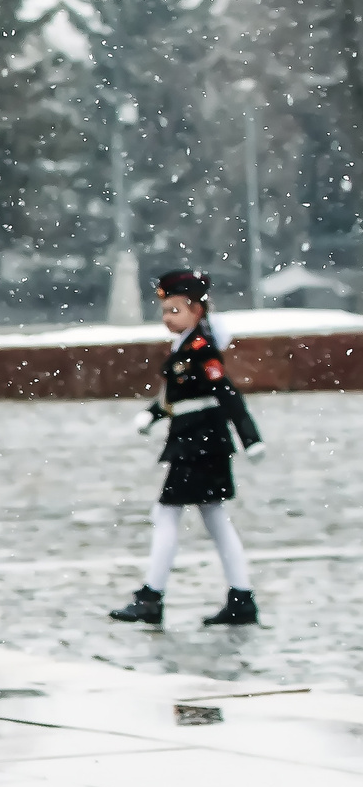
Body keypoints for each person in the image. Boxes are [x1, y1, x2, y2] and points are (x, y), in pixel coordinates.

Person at [111, 269, 263, 627]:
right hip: (196, 441)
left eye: (174, 310)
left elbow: (226, 394)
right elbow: (173, 397)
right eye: (164, 311)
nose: (167, 318)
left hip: (200, 443)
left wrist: (250, 436)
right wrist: (151, 415)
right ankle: (241, 598)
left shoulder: (201, 350)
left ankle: (152, 597)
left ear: (196, 310)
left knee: (167, 514)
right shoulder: (184, 349)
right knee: (214, 519)